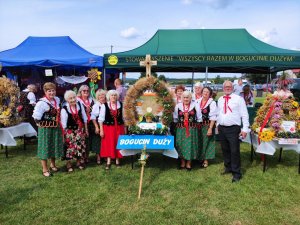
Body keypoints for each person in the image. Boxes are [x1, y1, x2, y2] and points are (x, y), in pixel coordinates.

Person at [217, 80, 249, 183]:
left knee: (234, 151)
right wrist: (218, 125)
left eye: (229, 86)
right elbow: (219, 113)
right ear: (223, 88)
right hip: (222, 128)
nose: (227, 88)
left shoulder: (239, 99)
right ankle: (228, 167)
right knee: (225, 149)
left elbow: (244, 114)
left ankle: (236, 173)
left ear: (233, 88)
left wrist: (245, 129)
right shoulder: (220, 99)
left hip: (233, 129)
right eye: (225, 86)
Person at [32, 82, 63, 177]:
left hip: (56, 128)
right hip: (45, 129)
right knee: (44, 148)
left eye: (53, 90)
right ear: (45, 91)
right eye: (49, 91)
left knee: (54, 146)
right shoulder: (41, 103)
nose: (51, 93)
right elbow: (36, 117)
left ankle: (53, 164)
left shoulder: (57, 100)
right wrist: (42, 126)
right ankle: (45, 169)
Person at [173, 91, 202, 170]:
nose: (186, 99)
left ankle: (189, 163)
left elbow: (199, 118)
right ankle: (182, 162)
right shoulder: (178, 106)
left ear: (190, 98)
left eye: (187, 97)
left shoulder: (195, 105)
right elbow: (175, 118)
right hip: (181, 129)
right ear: (182, 98)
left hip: (192, 129)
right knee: (181, 145)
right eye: (184, 97)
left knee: (190, 145)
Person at [61, 90, 88, 172]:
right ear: (67, 100)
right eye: (70, 98)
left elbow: (85, 118)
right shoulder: (64, 109)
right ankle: (68, 164)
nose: (73, 100)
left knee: (79, 146)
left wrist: (86, 129)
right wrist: (64, 135)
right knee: (70, 147)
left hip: (80, 129)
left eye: (74, 97)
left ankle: (78, 162)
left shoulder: (80, 105)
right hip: (69, 131)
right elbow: (63, 124)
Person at [98, 90, 126, 170]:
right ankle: (108, 161)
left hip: (119, 128)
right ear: (109, 97)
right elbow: (101, 119)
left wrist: (125, 129)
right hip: (108, 128)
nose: (113, 97)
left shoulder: (121, 105)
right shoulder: (104, 105)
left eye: (114, 95)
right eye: (112, 95)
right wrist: (101, 130)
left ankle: (117, 160)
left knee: (118, 143)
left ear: (117, 97)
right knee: (109, 144)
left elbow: (124, 118)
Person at [197, 87, 218, 168]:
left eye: (207, 92)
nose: (205, 93)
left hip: (207, 125)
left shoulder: (212, 103)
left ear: (210, 93)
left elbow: (213, 116)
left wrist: (210, 128)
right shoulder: (198, 101)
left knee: (207, 142)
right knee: (200, 141)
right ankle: (200, 157)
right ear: (202, 92)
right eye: (204, 91)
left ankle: (206, 160)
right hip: (198, 125)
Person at [77, 85, 95, 163]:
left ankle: (87, 156)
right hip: (81, 123)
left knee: (88, 140)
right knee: (82, 140)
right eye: (84, 91)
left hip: (91, 123)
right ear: (80, 92)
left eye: (87, 91)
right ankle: (81, 157)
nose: (86, 92)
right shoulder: (77, 101)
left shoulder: (92, 100)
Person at [91, 89, 107, 165]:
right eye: (99, 95)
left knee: (105, 141)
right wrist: (97, 127)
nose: (101, 96)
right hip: (98, 124)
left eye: (103, 95)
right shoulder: (96, 105)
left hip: (107, 125)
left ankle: (106, 155)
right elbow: (93, 117)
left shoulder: (108, 104)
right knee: (98, 141)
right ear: (97, 97)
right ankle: (98, 157)